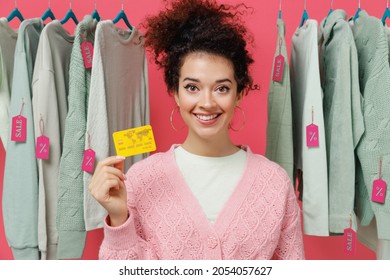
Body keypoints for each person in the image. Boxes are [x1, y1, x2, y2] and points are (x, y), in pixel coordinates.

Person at [89, 0, 304, 260]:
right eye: (192, 87)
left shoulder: (275, 184)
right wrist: (118, 217)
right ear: (175, 93)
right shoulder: (141, 180)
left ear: (239, 93)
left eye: (222, 88)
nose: (207, 102)